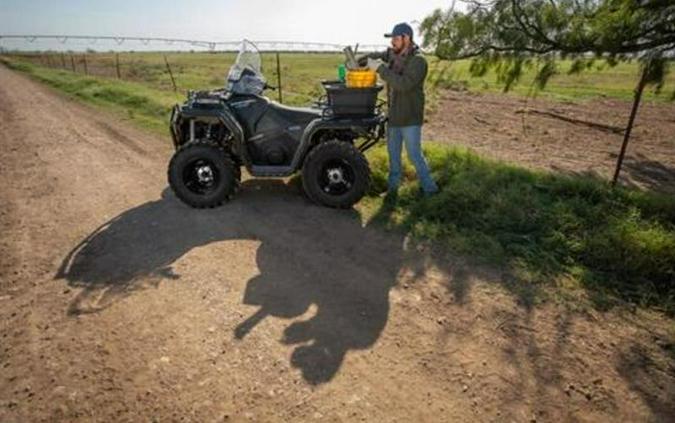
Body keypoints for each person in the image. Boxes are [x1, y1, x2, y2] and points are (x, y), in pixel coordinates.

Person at [360, 22, 438, 198]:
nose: (392, 43)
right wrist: (359, 60)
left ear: (406, 39)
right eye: (392, 39)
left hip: (410, 118)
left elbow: (404, 84)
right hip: (394, 116)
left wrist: (380, 69)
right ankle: (393, 191)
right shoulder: (394, 54)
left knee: (414, 156)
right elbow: (378, 55)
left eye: (395, 39)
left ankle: (430, 190)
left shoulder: (418, 61)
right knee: (393, 157)